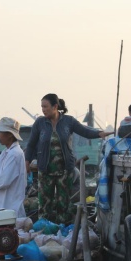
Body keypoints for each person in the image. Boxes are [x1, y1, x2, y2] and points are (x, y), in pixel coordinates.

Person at [24, 94, 112, 225]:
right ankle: (45, 231)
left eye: (45, 106)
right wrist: (27, 162)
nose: (43, 109)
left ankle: (62, 231)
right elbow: (31, 144)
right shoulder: (40, 123)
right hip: (45, 170)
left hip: (65, 169)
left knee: (63, 204)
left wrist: (99, 134)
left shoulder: (68, 121)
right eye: (42, 106)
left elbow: (84, 131)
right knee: (45, 203)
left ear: (55, 106)